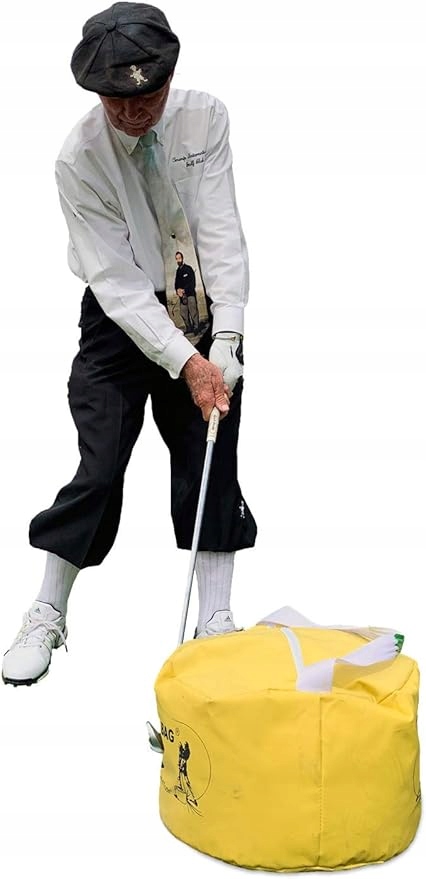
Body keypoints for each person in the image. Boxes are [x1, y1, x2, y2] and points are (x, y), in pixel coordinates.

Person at [2, 1, 257, 687]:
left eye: (147, 96)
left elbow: (220, 228)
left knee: (210, 453)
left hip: (200, 302)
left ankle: (216, 618)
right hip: (121, 318)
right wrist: (185, 362)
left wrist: (227, 335)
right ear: (96, 92)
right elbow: (115, 283)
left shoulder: (207, 118)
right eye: (117, 101)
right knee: (101, 459)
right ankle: (48, 608)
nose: (134, 112)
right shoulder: (78, 159)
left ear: (170, 77)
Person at [174, 251, 200, 335]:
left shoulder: (188, 269)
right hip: (182, 297)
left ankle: (196, 328)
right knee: (183, 313)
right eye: (177, 259)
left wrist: (184, 290)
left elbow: (192, 283)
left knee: (193, 312)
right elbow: (176, 284)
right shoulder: (178, 271)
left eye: (179, 258)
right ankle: (189, 328)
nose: (178, 260)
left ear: (182, 258)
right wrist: (177, 290)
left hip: (190, 294)